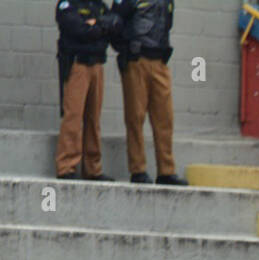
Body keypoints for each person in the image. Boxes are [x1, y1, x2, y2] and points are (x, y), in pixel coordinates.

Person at [110, 0, 187, 185]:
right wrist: (127, 49)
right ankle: (138, 170)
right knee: (135, 117)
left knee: (165, 119)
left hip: (159, 60)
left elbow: (166, 25)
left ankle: (166, 171)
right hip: (137, 59)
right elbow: (114, 23)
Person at [55, 0, 120, 181]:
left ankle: (93, 169)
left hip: (97, 64)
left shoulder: (98, 5)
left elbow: (115, 24)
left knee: (93, 119)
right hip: (77, 64)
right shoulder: (68, 4)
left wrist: (96, 24)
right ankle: (66, 166)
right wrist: (102, 26)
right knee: (73, 116)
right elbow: (78, 31)